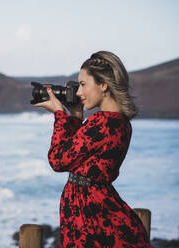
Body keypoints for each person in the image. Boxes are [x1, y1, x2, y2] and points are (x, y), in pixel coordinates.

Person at [34, 51, 152, 247]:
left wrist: (60, 115)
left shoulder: (101, 121)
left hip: (88, 214)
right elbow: (82, 155)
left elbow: (58, 160)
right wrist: (76, 116)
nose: (78, 92)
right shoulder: (121, 123)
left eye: (83, 84)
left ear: (103, 84)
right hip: (97, 207)